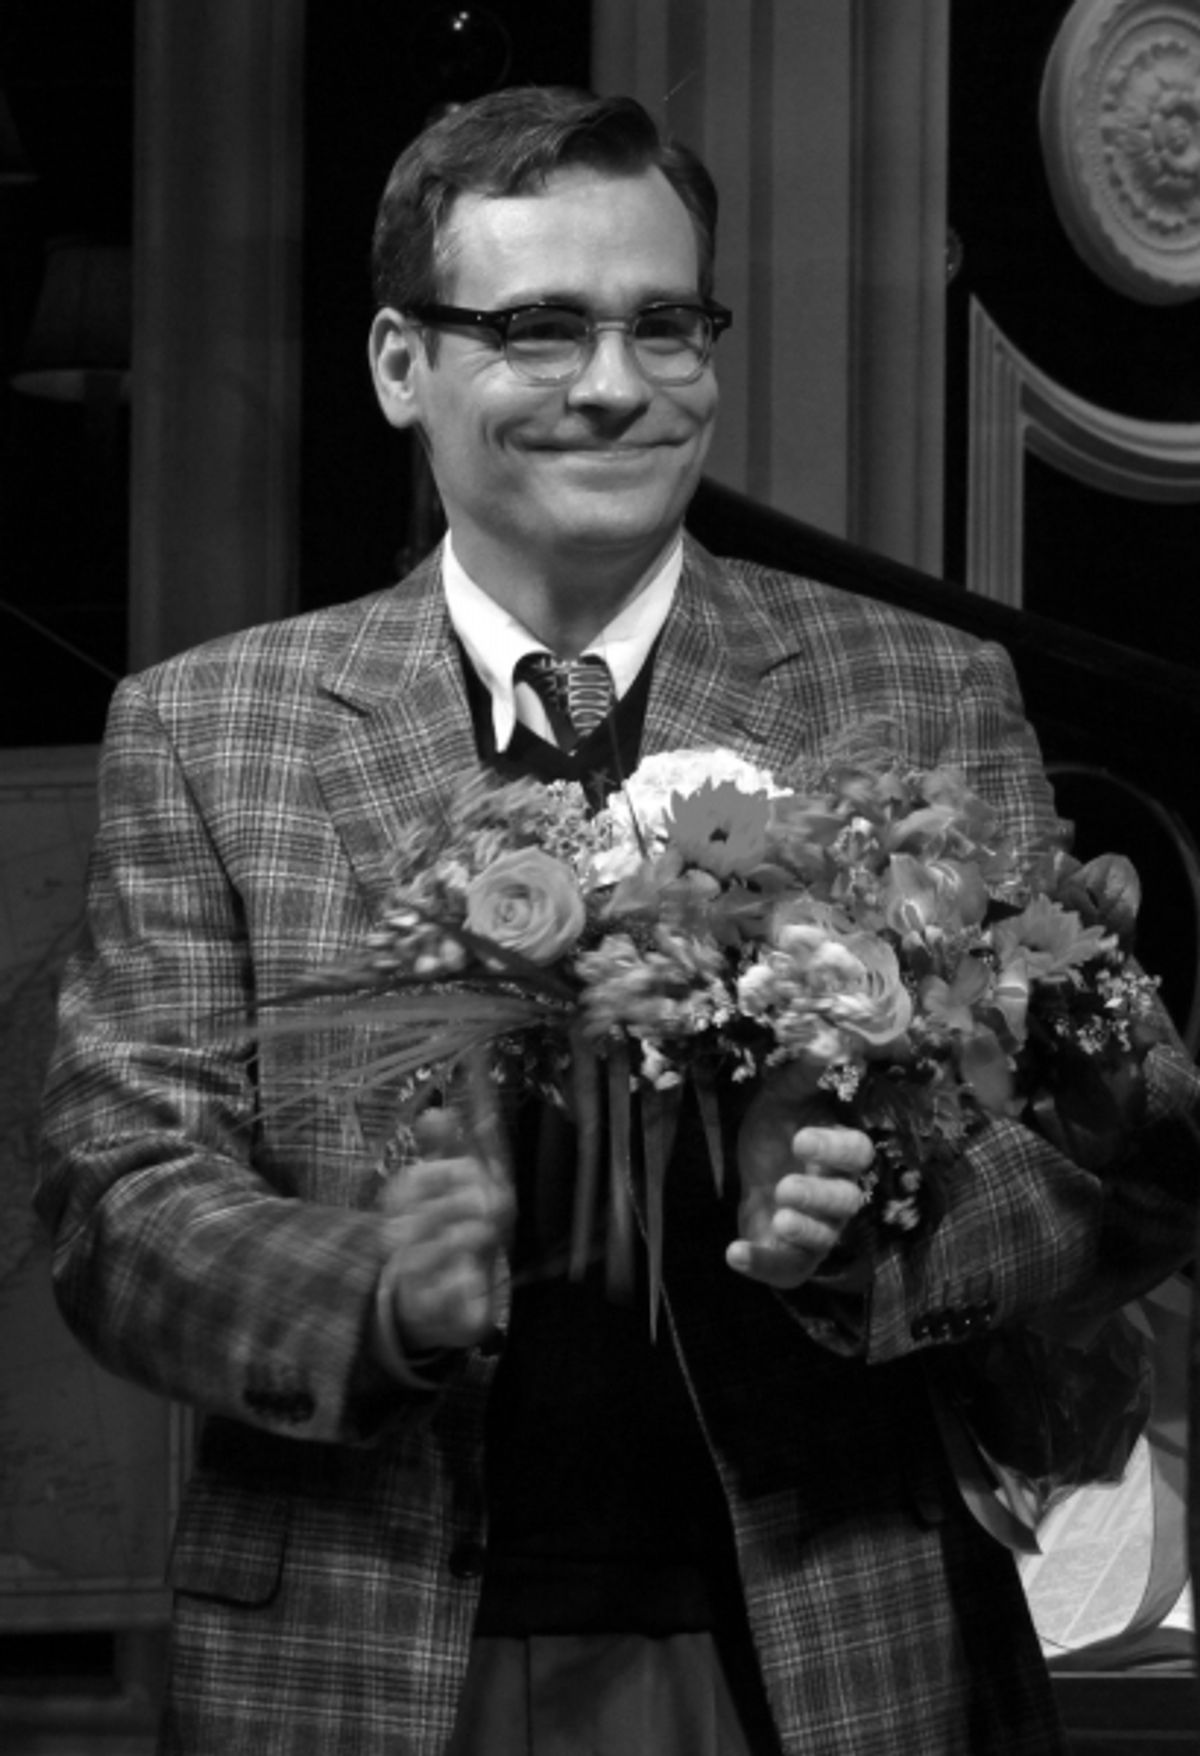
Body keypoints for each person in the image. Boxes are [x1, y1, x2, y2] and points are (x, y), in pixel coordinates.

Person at [37, 86, 1199, 1756]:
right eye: (537, 328)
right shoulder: (215, 732)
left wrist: (874, 1232)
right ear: (397, 366)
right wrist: (366, 1289)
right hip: (362, 1669)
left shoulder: (918, 694)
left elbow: (1109, 1179)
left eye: (666, 324)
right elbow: (116, 1198)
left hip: (832, 1654)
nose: (613, 383)